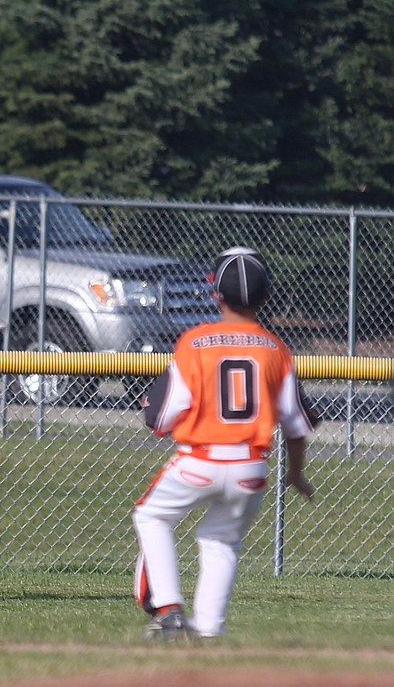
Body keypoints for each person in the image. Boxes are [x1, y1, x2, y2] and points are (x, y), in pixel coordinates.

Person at [133, 246, 318, 640]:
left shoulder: (194, 340)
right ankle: (209, 631)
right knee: (221, 540)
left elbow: (163, 416)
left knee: (151, 516)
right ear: (267, 297)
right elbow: (296, 425)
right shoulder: (276, 349)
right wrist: (297, 473)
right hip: (252, 465)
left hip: (198, 459)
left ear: (214, 293)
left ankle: (169, 610)